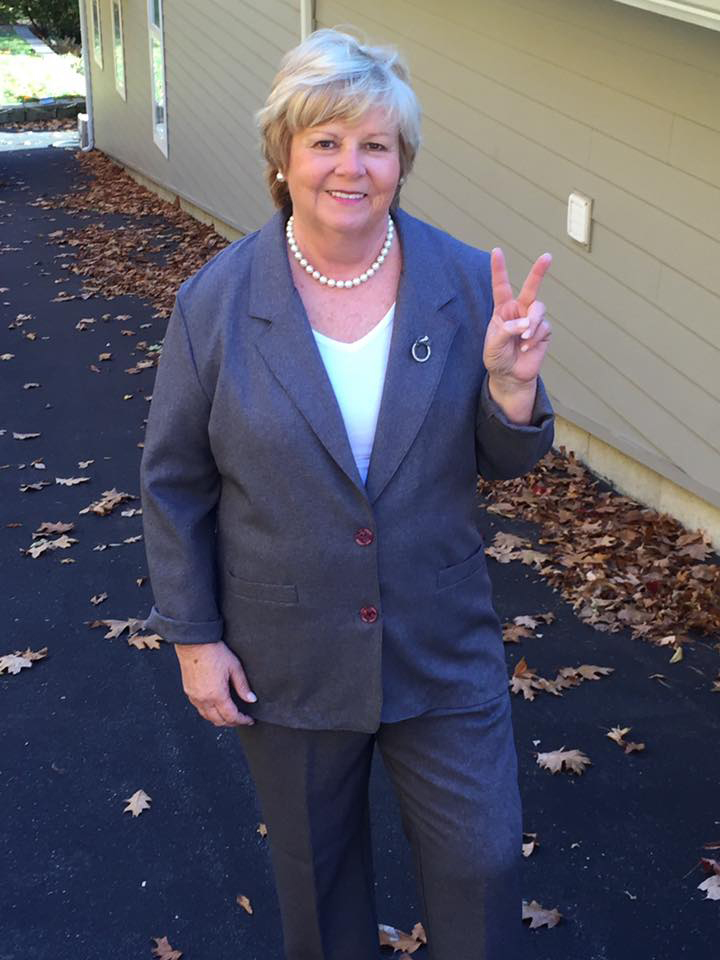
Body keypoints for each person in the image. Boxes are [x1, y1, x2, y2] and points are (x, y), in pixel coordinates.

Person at [139, 27, 554, 960]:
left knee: (482, 863)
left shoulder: (460, 282)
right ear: (284, 157)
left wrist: (511, 389)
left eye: (376, 144)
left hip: (439, 644)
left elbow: (506, 459)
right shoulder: (216, 300)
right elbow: (173, 480)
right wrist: (194, 638)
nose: (351, 167)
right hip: (287, 654)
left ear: (402, 160)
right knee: (320, 889)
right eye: (325, 141)